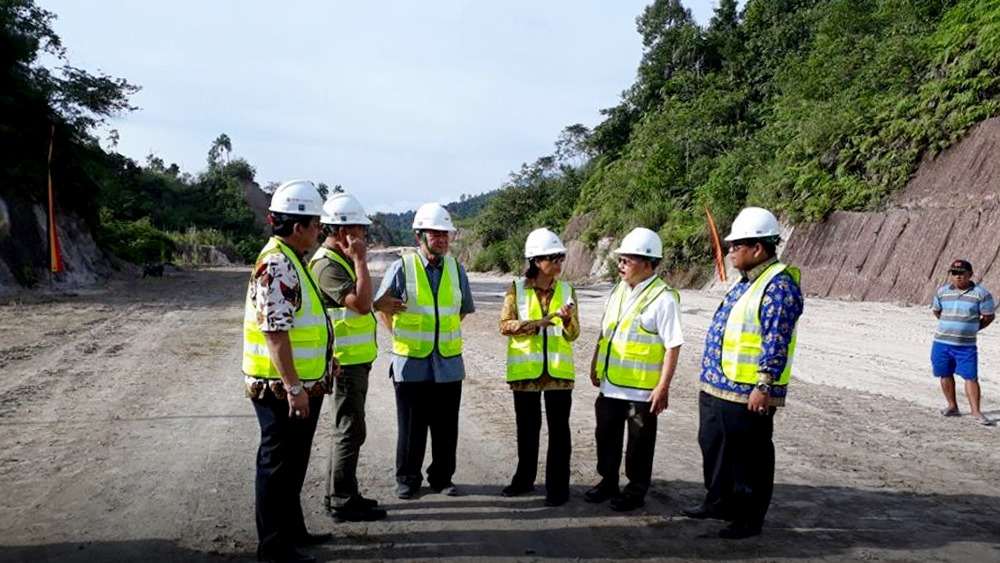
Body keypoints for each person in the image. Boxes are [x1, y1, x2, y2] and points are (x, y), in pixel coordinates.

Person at [680, 206, 804, 540]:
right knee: (715, 445)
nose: (730, 251)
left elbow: (775, 339)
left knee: (750, 456)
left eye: (736, 246)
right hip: (718, 384)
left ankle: (749, 516)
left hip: (748, 388)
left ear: (758, 249)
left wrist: (763, 384)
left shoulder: (778, 286)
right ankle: (719, 501)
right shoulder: (745, 282)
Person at [242, 180, 334, 563]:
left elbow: (304, 321)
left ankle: (292, 530)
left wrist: (325, 364)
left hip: (299, 384)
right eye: (316, 224)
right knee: (277, 464)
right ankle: (274, 547)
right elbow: (275, 333)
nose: (320, 231)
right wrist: (294, 386)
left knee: (294, 462)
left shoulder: (292, 256)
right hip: (279, 388)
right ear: (298, 227)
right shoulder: (278, 263)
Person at [373, 202, 475, 499]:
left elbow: (462, 310)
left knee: (446, 427)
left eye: (446, 234)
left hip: (447, 362)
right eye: (435, 234)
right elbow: (382, 305)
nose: (442, 239)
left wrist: (440, 333)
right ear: (420, 236)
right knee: (412, 427)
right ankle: (407, 478)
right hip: (411, 362)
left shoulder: (456, 270)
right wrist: (399, 333)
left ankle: (442, 477)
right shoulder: (402, 267)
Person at [585, 227, 683, 513]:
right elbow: (606, 332)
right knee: (605, 435)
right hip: (610, 384)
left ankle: (636, 490)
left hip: (641, 389)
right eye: (621, 260)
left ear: (648, 263)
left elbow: (673, 346)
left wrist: (662, 387)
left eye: (627, 260)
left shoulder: (663, 298)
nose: (621, 265)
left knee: (639, 443)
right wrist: (594, 362)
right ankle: (608, 481)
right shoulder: (617, 290)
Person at [308, 193, 387, 522]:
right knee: (349, 429)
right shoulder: (327, 264)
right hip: (344, 362)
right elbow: (361, 303)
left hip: (354, 360)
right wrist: (360, 260)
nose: (364, 237)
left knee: (351, 429)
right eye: (360, 230)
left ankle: (341, 494)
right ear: (344, 232)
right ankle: (341, 499)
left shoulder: (333, 260)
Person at [499, 228, 580, 507]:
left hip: (558, 373)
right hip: (526, 373)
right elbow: (504, 326)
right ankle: (524, 480)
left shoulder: (568, 291)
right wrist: (536, 324)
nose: (558, 262)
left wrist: (567, 321)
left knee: (560, 432)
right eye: (553, 258)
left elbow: (573, 335)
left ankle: (558, 489)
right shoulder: (516, 289)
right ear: (536, 261)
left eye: (560, 257)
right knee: (527, 429)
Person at [932, 259, 995, 426]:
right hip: (941, 342)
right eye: (954, 273)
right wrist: (952, 325)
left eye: (961, 273)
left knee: (971, 377)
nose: (958, 276)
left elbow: (989, 316)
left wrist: (972, 328)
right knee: (944, 374)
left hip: (966, 346)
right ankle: (952, 406)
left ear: (970, 274)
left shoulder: (981, 294)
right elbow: (937, 311)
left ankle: (976, 411)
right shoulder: (943, 292)